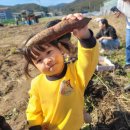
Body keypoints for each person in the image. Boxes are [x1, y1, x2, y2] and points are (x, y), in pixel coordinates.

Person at [22, 13, 99, 130]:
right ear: (35, 66)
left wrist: (84, 36)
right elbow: (34, 110)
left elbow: (88, 59)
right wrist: (35, 126)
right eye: (39, 60)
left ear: (61, 50)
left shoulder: (76, 72)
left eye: (49, 52)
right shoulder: (37, 84)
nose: (47, 60)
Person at [114, 0, 130, 70]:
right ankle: (128, 63)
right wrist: (118, 13)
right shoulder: (120, 2)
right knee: (128, 45)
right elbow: (120, 11)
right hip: (129, 27)